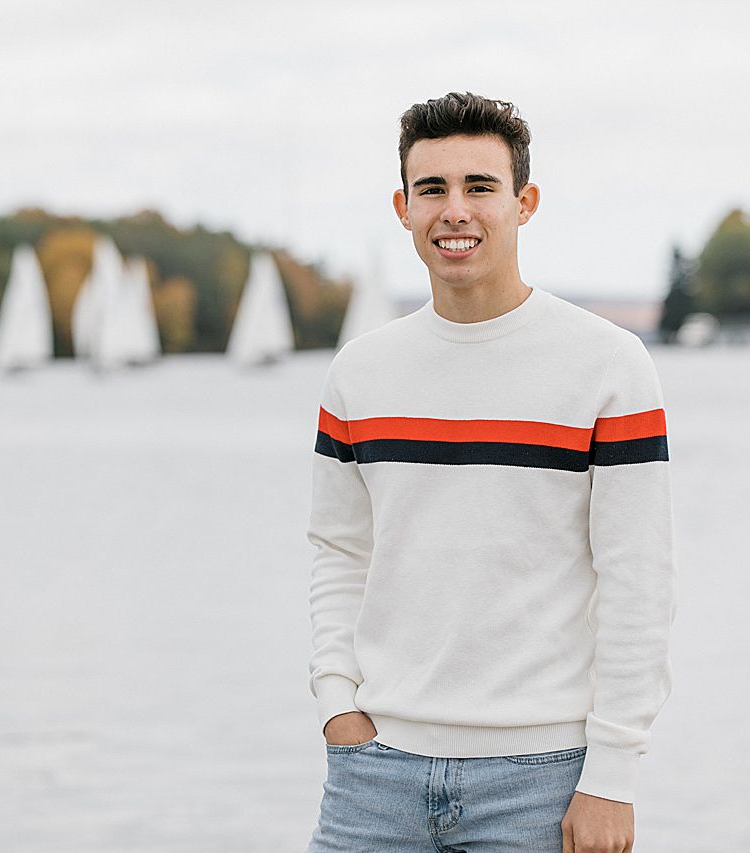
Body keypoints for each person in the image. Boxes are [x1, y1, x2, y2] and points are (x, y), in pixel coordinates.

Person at [304, 92, 676, 853]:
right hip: (373, 777)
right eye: (433, 189)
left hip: (541, 779)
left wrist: (613, 774)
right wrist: (337, 705)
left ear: (525, 202)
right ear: (403, 207)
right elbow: (339, 552)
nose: (456, 211)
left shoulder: (607, 365)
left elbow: (640, 579)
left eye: (481, 186)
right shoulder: (359, 373)